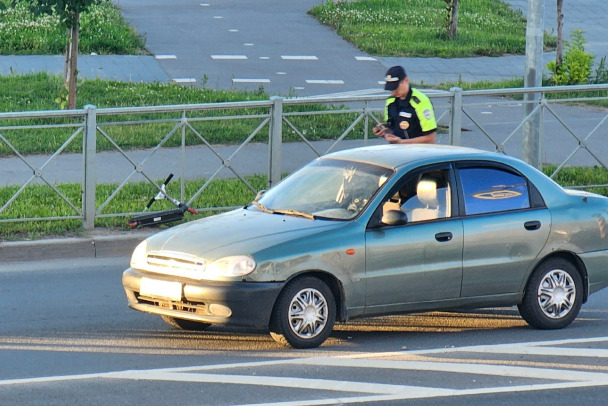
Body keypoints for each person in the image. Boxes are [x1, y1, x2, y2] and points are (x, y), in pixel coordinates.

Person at [373, 66, 437, 144]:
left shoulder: (421, 101)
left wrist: (402, 142)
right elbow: (393, 128)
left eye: (396, 88)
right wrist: (383, 132)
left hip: (419, 152)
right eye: (391, 89)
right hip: (397, 151)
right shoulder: (390, 102)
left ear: (406, 80)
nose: (393, 92)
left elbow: (430, 139)